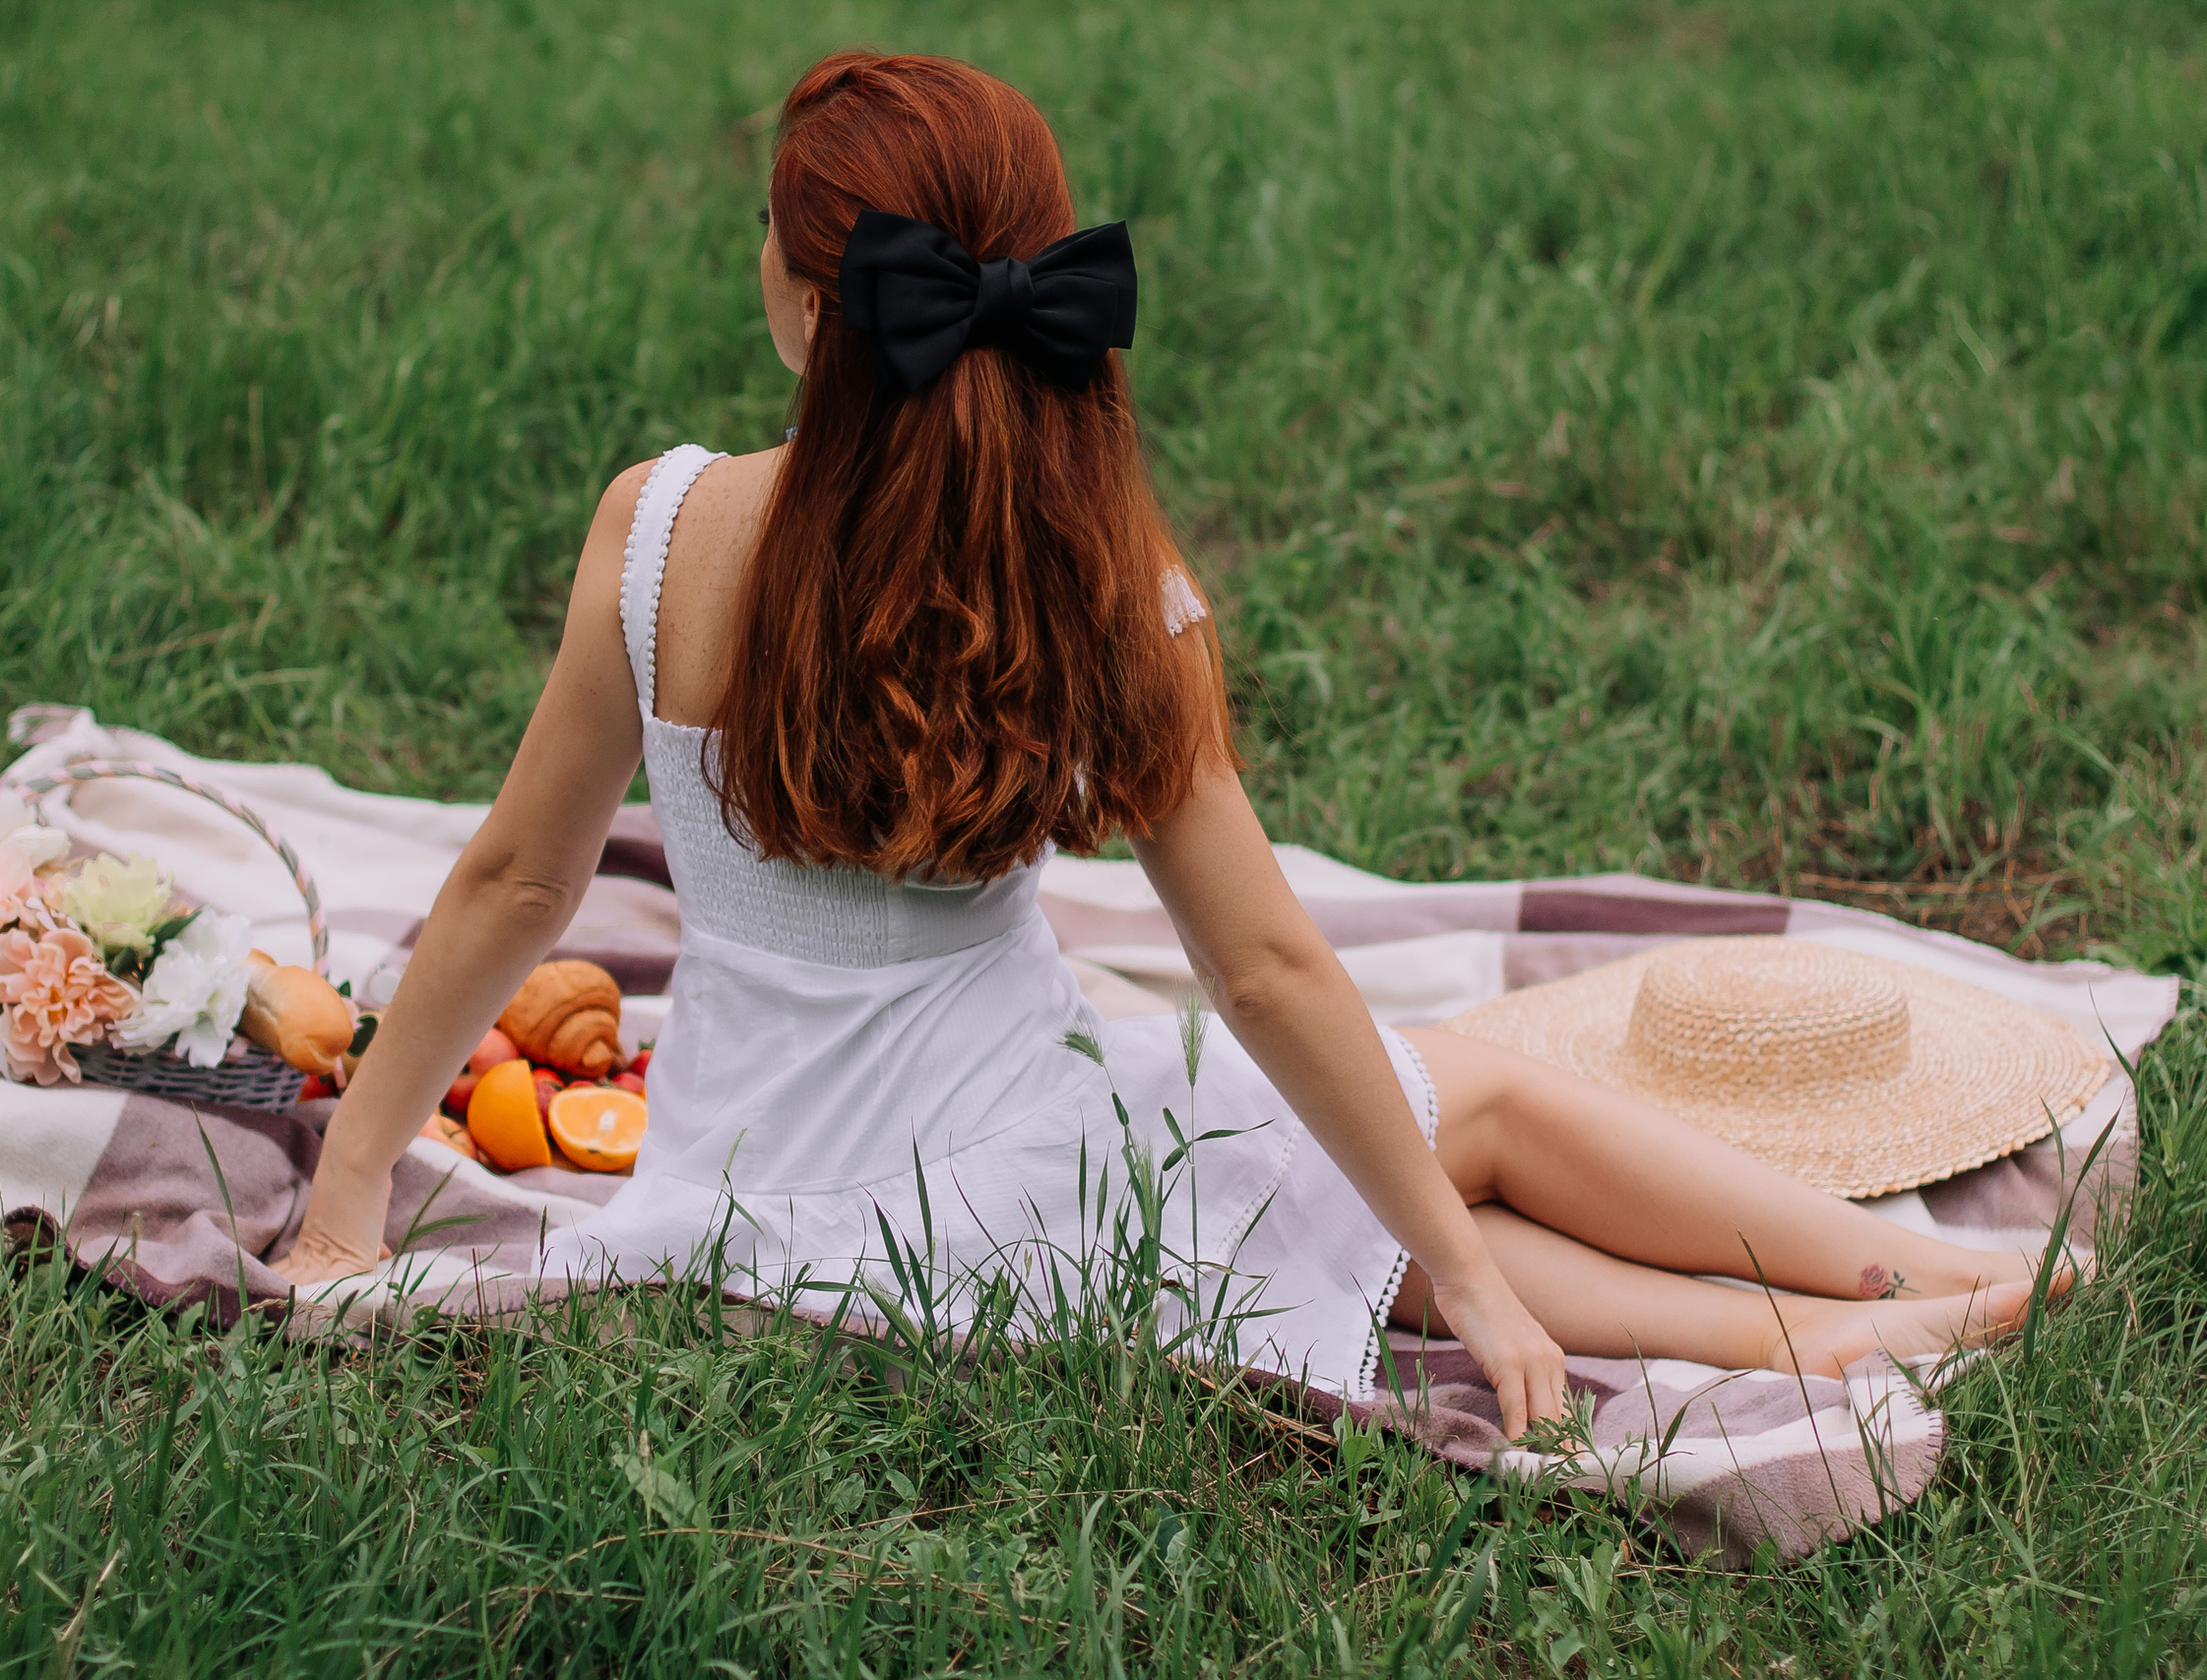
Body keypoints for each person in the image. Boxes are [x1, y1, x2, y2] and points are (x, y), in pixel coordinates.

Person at [277, 50, 2049, 1438]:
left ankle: (1877, 1322)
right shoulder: (1097, 577)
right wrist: (1454, 1259)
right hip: (1011, 1187)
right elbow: (1267, 965)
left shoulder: (656, 532)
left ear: (811, 302)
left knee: (1385, 1238)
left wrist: (352, 1189)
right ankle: (1907, 1278)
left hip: (759, 1210)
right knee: (1468, 1126)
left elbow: (521, 877)